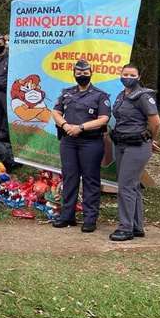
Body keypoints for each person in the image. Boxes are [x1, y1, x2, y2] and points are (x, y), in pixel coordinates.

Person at [50, 59, 111, 233]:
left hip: (90, 142)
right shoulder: (66, 93)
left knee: (91, 180)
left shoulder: (101, 95)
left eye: (85, 73)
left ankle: (90, 219)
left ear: (91, 73)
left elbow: (103, 119)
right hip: (69, 141)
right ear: (74, 73)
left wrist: (81, 127)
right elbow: (55, 111)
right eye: (78, 72)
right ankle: (67, 216)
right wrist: (65, 125)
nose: (82, 75)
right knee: (70, 177)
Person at [108, 64, 160, 242]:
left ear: (138, 77)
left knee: (125, 186)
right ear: (120, 75)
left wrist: (151, 139)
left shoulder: (143, 96)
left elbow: (156, 122)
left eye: (132, 74)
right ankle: (137, 226)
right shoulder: (122, 95)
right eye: (125, 74)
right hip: (121, 144)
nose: (128, 77)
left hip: (137, 146)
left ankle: (125, 228)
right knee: (133, 186)